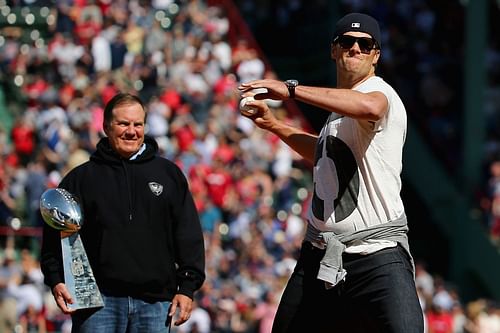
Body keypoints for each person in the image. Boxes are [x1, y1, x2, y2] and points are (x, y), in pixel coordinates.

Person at [238, 12, 424, 333]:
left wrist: (291, 90)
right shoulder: (337, 115)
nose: (355, 49)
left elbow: (371, 108)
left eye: (364, 45)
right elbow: (323, 154)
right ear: (334, 50)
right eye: (347, 42)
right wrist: (273, 125)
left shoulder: (380, 92)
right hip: (320, 255)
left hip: (376, 255)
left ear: (375, 56)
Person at [41, 92, 205, 332]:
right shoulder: (80, 179)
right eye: (123, 123)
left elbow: (188, 234)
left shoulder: (169, 175)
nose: (131, 131)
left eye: (138, 124)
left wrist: (187, 287)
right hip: (96, 304)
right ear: (107, 126)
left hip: (156, 303)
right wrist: (56, 279)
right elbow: (55, 234)